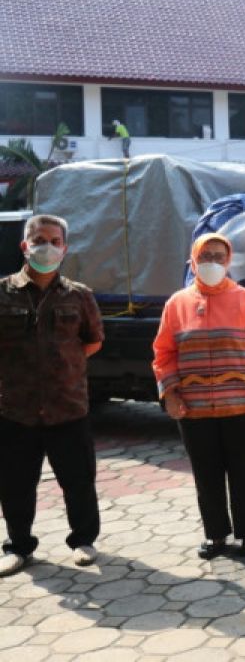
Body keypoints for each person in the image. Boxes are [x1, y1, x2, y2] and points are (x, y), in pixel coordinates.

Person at [153, 233, 245, 560]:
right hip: (194, 410)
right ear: (193, 261)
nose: (211, 261)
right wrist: (169, 392)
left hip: (242, 406)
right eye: (205, 255)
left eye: (218, 256)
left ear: (228, 262)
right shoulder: (177, 304)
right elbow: (163, 352)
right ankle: (215, 536)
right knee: (206, 475)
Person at [0, 215, 104, 577]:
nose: (47, 246)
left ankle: (83, 541)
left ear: (64, 247)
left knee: (78, 480)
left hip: (68, 406)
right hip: (15, 409)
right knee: (14, 484)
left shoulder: (79, 295)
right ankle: (18, 546)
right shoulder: (3, 292)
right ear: (24, 245)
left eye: (54, 240)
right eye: (39, 238)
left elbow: (92, 342)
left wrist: (63, 368)